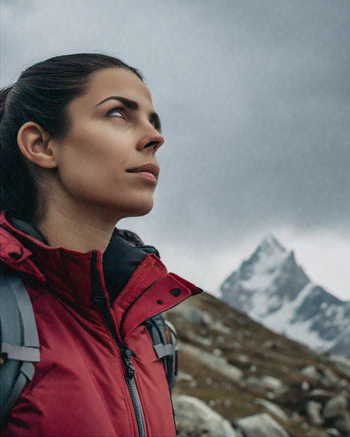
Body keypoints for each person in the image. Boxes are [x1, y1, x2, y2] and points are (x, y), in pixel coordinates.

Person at [0, 53, 201, 437]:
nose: (156, 138)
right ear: (41, 144)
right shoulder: (7, 317)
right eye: (118, 115)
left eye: (153, 121)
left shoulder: (148, 328)